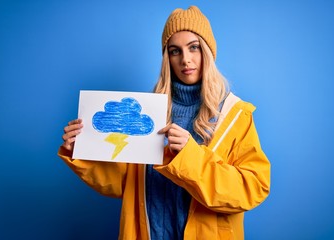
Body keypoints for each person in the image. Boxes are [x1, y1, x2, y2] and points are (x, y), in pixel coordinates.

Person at [59, 5, 270, 240]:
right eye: (175, 51)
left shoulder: (234, 115)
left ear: (208, 52)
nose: (186, 60)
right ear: (166, 58)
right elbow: (124, 182)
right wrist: (81, 150)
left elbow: (252, 189)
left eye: (194, 48)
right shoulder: (150, 113)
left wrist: (190, 156)